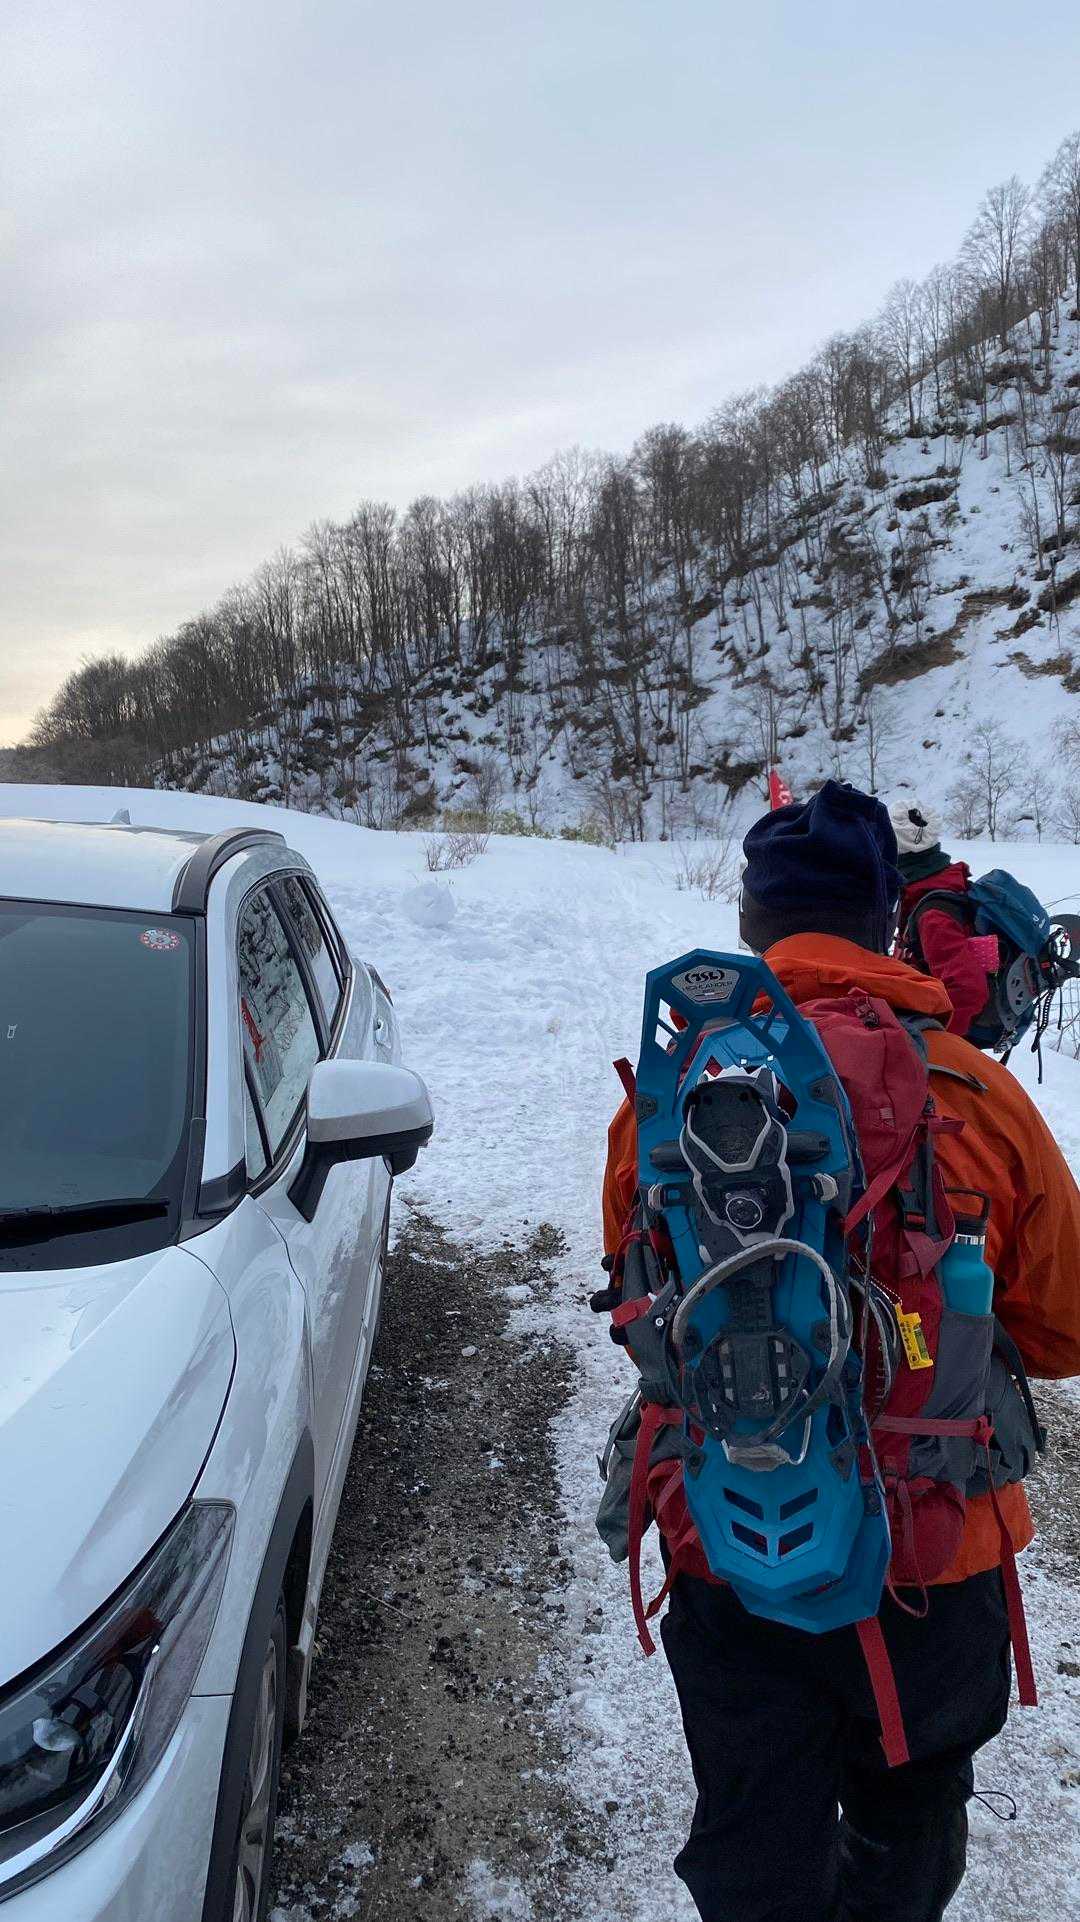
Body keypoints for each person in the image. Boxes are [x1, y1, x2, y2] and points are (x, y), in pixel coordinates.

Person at [601, 781, 1080, 1922]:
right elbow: (1064, 1328)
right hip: (934, 1558)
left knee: (753, 1838)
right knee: (908, 1827)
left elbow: (640, 1305)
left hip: (728, 1542)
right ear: (888, 919)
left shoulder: (666, 1104)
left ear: (750, 924)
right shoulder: (978, 1093)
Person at [888, 797, 994, 1039]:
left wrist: (935, 1043)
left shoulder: (933, 915)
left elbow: (968, 990)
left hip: (944, 1036)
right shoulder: (939, 880)